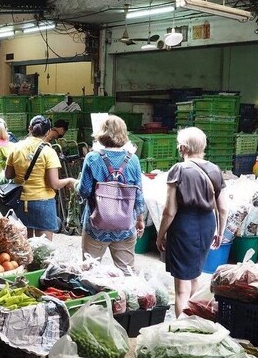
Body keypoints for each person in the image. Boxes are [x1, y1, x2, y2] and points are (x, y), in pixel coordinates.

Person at [157, 127, 229, 317]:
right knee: (195, 274)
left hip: (184, 225)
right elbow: (222, 208)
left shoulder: (179, 170)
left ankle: (182, 332)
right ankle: (196, 320)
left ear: (182, 148)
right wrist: (221, 232)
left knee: (181, 288)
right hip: (207, 224)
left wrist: (160, 235)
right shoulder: (214, 169)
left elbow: (169, 211)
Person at [78, 115, 145, 272]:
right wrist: (140, 219)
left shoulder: (92, 158)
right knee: (127, 272)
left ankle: (95, 296)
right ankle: (127, 297)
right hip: (125, 226)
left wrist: (74, 184)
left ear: (101, 133)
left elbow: (84, 191)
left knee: (89, 271)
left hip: (96, 227)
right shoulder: (133, 159)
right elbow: (139, 194)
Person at [5, 115, 75, 239]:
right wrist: (69, 180)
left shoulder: (16, 147)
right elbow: (54, 184)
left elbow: (8, 175)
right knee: (43, 250)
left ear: (29, 129)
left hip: (20, 202)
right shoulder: (49, 152)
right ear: (48, 132)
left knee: (24, 249)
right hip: (43, 203)